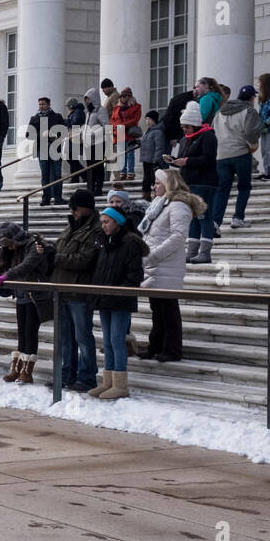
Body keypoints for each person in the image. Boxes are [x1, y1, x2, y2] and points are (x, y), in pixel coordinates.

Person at [0, 221, 53, 384]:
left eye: (10, 244)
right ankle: (17, 368)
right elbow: (1, 265)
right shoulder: (11, 250)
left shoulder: (33, 245)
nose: (9, 248)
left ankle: (27, 371)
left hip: (36, 295)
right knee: (21, 332)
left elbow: (26, 265)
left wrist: (8, 276)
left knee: (30, 332)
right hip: (21, 294)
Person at [138, 168, 204, 363]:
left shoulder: (178, 206)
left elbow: (178, 237)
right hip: (154, 266)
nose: (154, 186)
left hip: (165, 265)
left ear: (169, 184)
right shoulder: (160, 205)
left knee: (168, 310)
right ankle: (155, 346)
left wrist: (153, 255)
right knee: (157, 309)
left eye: (158, 183)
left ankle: (172, 349)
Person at [85, 207, 148, 400]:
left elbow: (134, 274)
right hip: (105, 298)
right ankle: (108, 381)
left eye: (106, 222)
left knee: (116, 340)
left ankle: (120, 384)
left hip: (120, 299)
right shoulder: (105, 242)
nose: (103, 225)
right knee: (107, 341)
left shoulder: (128, 242)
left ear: (117, 222)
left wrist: (119, 291)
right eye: (102, 222)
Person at [49, 189, 101, 393]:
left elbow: (85, 260)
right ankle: (65, 374)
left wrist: (55, 257)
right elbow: (59, 249)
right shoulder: (70, 227)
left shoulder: (95, 230)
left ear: (85, 208)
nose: (73, 212)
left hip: (79, 291)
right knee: (65, 337)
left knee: (82, 336)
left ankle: (87, 376)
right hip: (61, 289)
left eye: (76, 208)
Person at [168, 101, 218, 264]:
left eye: (187, 127)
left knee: (204, 216)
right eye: (183, 127)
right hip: (189, 182)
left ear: (195, 124)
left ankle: (205, 252)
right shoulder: (186, 139)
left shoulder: (208, 135)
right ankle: (192, 251)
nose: (185, 130)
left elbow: (208, 158)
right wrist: (174, 161)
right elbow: (185, 158)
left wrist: (187, 162)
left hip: (204, 182)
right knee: (193, 217)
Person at [210, 84, 262, 229]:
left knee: (222, 189)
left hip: (221, 155)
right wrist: (252, 146)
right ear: (252, 98)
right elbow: (251, 133)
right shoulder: (249, 111)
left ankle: (215, 222)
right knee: (244, 187)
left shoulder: (220, 111)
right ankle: (238, 217)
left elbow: (212, 131)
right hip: (240, 153)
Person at [28, 97, 66, 206]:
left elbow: (64, 131)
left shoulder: (57, 116)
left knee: (57, 174)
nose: (41, 106)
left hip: (55, 148)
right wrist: (41, 134)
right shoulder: (34, 118)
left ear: (49, 104)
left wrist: (54, 133)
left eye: (43, 104)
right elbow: (29, 135)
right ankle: (46, 198)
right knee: (45, 175)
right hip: (42, 149)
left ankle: (58, 197)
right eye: (39, 104)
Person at [82, 87, 110, 196]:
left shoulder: (101, 110)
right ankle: (90, 188)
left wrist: (93, 133)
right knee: (90, 167)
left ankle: (98, 189)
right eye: (85, 99)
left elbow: (106, 126)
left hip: (98, 143)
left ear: (93, 98)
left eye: (88, 99)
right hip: (88, 143)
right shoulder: (88, 112)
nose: (86, 101)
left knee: (98, 167)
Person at [110, 88, 142, 176]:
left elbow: (135, 119)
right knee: (121, 154)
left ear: (129, 97)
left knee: (130, 153)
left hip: (129, 133)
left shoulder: (136, 107)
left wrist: (122, 125)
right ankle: (122, 171)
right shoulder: (117, 108)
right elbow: (112, 119)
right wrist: (115, 127)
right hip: (119, 132)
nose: (122, 98)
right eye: (121, 96)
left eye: (125, 96)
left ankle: (130, 172)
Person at [138, 110, 166, 200]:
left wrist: (156, 160)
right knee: (146, 180)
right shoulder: (148, 131)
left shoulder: (158, 131)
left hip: (153, 161)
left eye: (149, 119)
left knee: (154, 180)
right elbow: (145, 143)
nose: (147, 121)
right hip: (146, 160)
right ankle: (146, 196)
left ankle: (157, 196)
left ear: (154, 120)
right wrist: (137, 142)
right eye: (146, 119)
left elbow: (159, 147)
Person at [257, 72, 270, 180]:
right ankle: (267, 171)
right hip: (264, 128)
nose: (258, 84)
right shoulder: (264, 95)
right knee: (264, 150)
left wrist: (267, 123)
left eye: (259, 82)